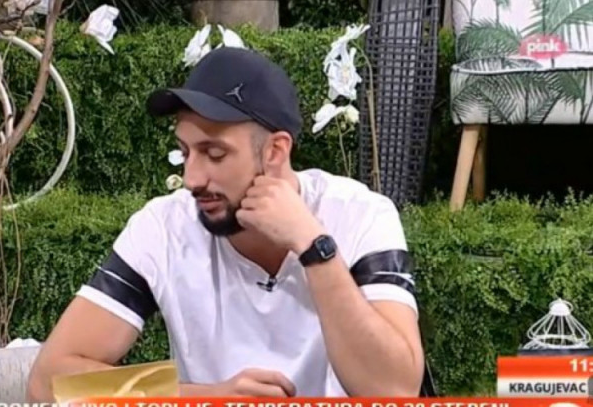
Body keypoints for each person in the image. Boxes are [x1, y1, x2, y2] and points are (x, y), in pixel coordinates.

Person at [26, 46, 425, 401]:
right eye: (186, 152)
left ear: (275, 151)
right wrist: (206, 397)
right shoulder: (163, 229)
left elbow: (395, 390)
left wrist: (314, 248)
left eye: (214, 154)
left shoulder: (360, 215)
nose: (192, 179)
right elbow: (48, 380)